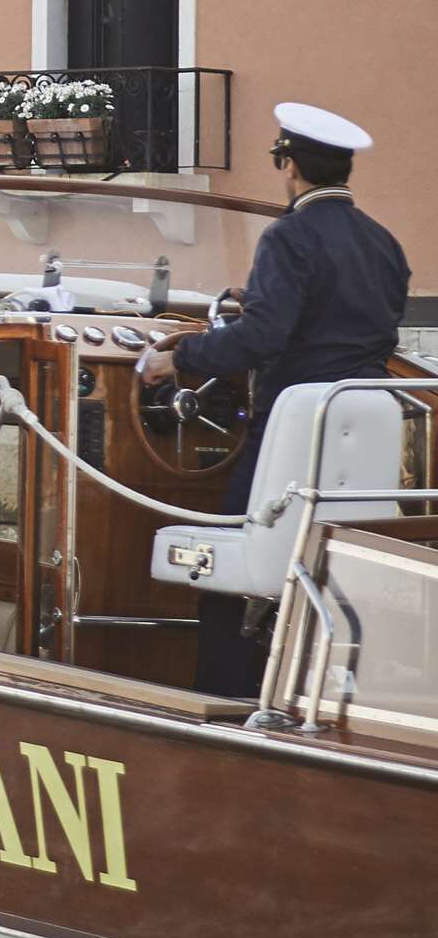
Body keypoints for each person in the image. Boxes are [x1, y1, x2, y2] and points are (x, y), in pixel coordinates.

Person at [140, 100, 410, 696]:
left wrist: (176, 358)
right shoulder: (383, 242)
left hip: (294, 430)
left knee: (236, 565)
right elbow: (353, 321)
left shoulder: (288, 238)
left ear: (289, 166)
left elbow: (261, 339)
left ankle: (225, 698)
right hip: (364, 423)